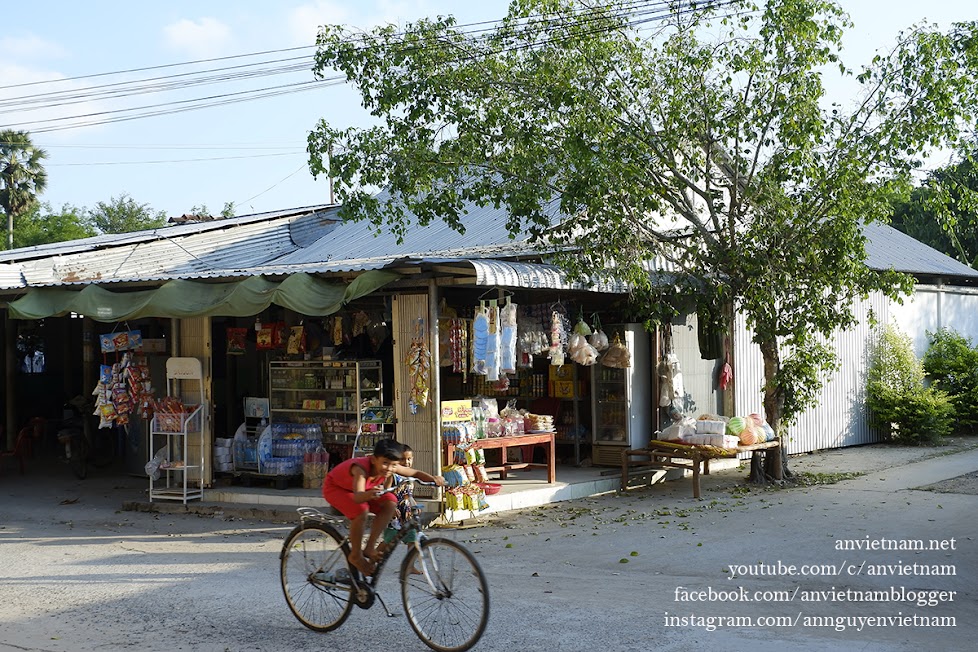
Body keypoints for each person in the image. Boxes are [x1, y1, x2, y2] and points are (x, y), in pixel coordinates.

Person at [322, 439, 444, 576]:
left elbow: (415, 473)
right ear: (374, 460)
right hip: (336, 489)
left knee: (391, 501)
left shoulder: (391, 466)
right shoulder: (360, 469)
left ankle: (369, 547)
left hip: (365, 491)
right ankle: (355, 555)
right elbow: (358, 497)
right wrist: (370, 494)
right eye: (385, 463)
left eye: (393, 465)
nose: (389, 469)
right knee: (361, 510)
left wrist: (433, 479)